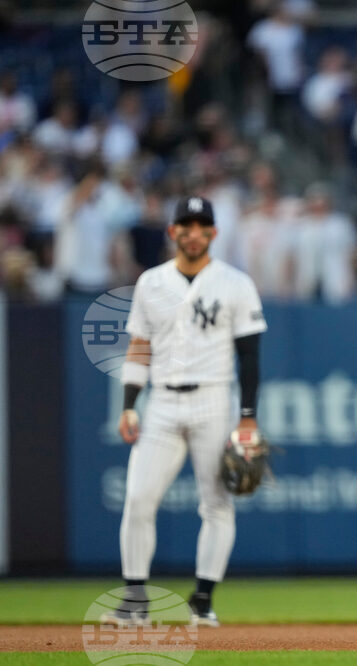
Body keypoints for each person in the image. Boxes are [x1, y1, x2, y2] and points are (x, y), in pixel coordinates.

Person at [100, 196, 267, 627]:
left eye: (202, 226)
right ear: (172, 232)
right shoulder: (150, 282)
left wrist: (247, 416)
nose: (194, 233)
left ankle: (203, 600)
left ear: (213, 233)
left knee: (217, 504)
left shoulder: (235, 282)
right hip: (162, 402)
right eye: (186, 226)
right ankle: (135, 599)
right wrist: (129, 406)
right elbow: (139, 347)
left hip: (214, 399)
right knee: (138, 499)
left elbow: (249, 356)